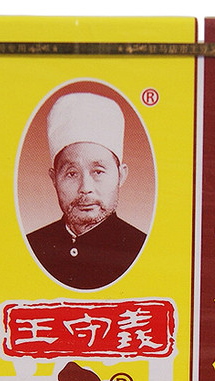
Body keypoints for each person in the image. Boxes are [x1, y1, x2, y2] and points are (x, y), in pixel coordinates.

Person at [26, 93, 147, 290]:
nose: (85, 188)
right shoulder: (31, 247)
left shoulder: (143, 249)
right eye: (72, 173)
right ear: (54, 179)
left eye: (98, 171)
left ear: (121, 175)